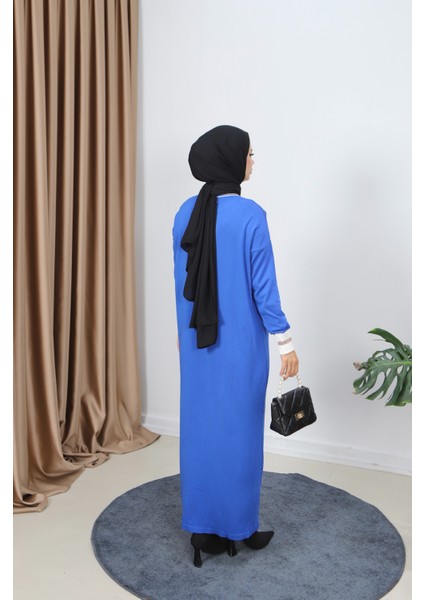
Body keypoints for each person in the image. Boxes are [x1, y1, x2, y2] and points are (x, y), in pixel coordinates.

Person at [172, 125, 299, 568]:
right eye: (249, 154)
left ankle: (202, 528)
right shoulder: (250, 216)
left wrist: (182, 333)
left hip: (196, 344)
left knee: (201, 431)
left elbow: (180, 283)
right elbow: (264, 289)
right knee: (241, 435)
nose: (252, 161)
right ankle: (239, 528)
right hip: (240, 346)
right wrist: (285, 342)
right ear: (230, 160)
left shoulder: (184, 213)